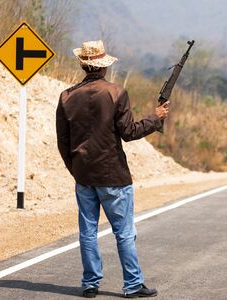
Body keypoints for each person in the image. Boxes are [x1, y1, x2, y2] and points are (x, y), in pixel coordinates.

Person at [56, 40, 169, 298]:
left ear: (83, 65)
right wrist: (156, 117)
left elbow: (63, 142)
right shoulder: (117, 93)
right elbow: (129, 132)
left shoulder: (66, 97)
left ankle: (90, 284)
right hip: (113, 175)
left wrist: (75, 169)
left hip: (84, 175)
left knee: (87, 231)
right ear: (104, 67)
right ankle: (132, 285)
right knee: (124, 233)